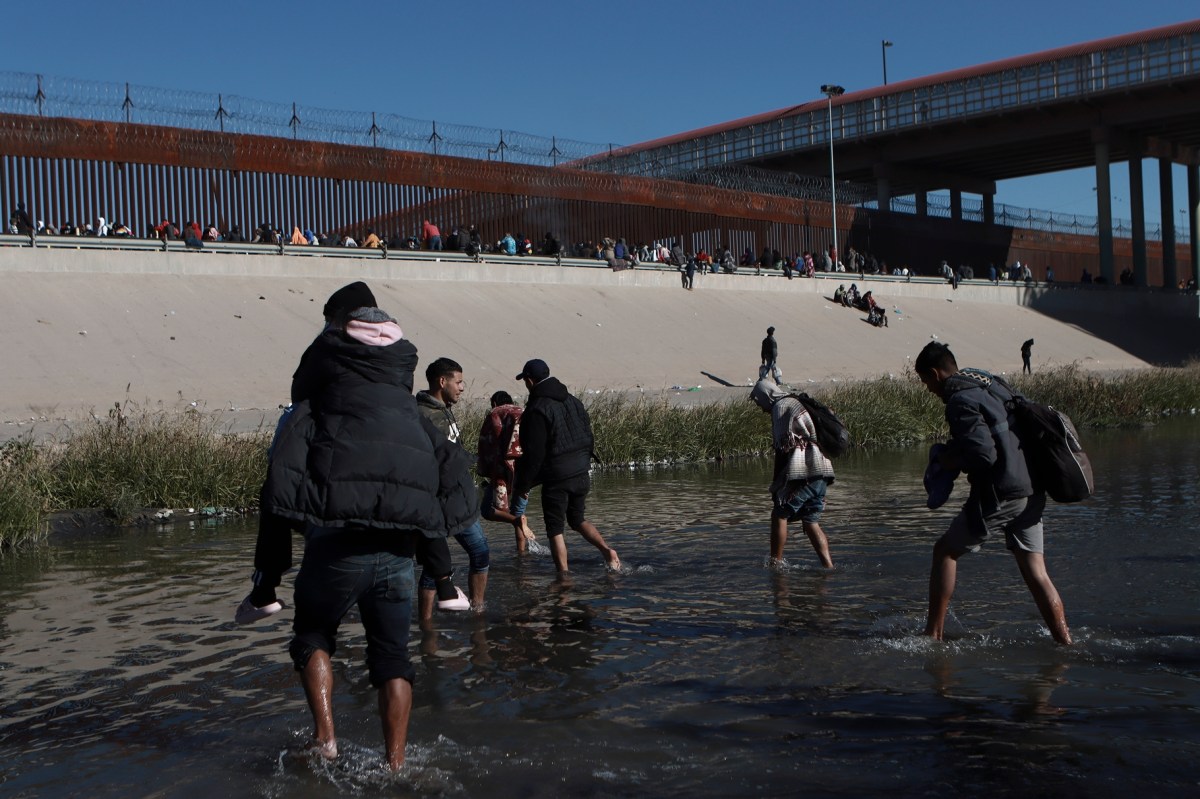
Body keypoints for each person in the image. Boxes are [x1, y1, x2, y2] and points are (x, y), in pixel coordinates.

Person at [253, 281, 480, 770]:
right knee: (393, 658)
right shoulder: (410, 415)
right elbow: (445, 477)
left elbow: (279, 485)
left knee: (313, 636)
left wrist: (267, 579)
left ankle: (325, 740)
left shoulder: (314, 410)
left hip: (333, 548)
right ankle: (396, 765)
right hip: (397, 555)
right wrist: (443, 571)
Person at [913, 341, 1072, 645]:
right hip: (1033, 486)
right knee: (1037, 572)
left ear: (935, 374)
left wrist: (948, 461)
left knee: (944, 551)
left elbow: (983, 455)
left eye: (925, 382)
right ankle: (1065, 642)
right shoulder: (990, 384)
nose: (928, 390)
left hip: (1004, 491)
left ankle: (932, 636)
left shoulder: (959, 400)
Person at [512, 358, 620, 575]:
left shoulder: (537, 408)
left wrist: (523, 485)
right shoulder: (573, 400)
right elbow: (587, 434)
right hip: (582, 471)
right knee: (577, 519)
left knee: (554, 528)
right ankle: (607, 551)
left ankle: (563, 576)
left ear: (530, 381)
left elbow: (534, 453)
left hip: (557, 476)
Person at [416, 357, 491, 615]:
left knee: (479, 553)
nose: (461, 388)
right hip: (440, 501)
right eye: (458, 382)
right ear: (442, 381)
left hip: (460, 499)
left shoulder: (443, 408)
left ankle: (477, 610)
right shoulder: (423, 415)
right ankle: (426, 621)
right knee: (435, 565)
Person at [750, 380, 835, 568]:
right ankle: (828, 567)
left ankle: (776, 564)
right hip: (822, 469)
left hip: (804, 471)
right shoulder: (796, 401)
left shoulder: (780, 407)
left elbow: (783, 447)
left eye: (759, 402)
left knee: (779, 514)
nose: (761, 408)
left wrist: (777, 486)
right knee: (811, 521)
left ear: (766, 396)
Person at [478, 390, 538, 552]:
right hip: (525, 470)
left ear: (494, 403)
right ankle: (522, 555)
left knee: (487, 511)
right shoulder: (522, 412)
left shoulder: (495, 413)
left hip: (501, 470)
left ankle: (515, 521)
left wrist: (485, 468)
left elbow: (487, 443)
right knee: (519, 510)